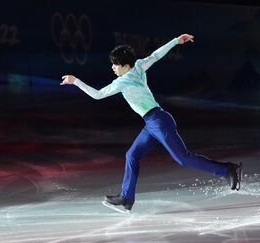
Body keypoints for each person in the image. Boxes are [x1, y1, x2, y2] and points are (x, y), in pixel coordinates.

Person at [60, 34, 242, 212]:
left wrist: (75, 81)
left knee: (182, 158)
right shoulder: (139, 66)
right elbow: (156, 55)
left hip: (159, 122)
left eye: (115, 65)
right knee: (132, 155)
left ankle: (227, 170)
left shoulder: (121, 82)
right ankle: (126, 198)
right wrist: (177, 40)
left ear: (125, 65)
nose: (113, 68)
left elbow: (97, 95)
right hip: (152, 123)